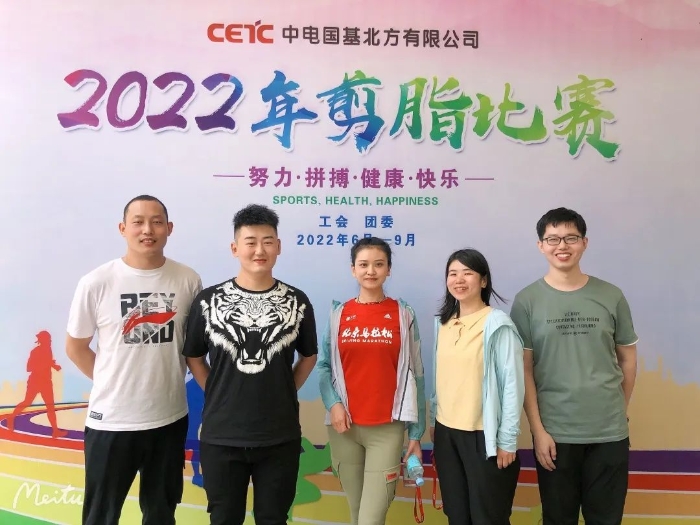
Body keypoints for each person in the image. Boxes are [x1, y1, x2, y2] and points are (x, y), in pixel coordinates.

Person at [65, 195, 203, 525]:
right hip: (112, 421)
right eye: (138, 222)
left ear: (169, 228)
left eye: (156, 222)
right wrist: (114, 383)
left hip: (169, 419)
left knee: (161, 513)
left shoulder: (188, 280)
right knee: (101, 515)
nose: (147, 230)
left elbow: (193, 347)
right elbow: (76, 347)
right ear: (122, 228)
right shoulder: (97, 282)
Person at [183, 203, 318, 525]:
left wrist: (284, 388)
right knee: (224, 518)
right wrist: (216, 390)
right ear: (235, 248)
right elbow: (194, 356)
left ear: (278, 247)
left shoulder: (297, 301)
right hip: (221, 436)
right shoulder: (208, 301)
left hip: (279, 436)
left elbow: (309, 356)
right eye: (251, 242)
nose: (260, 250)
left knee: (274, 518)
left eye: (268, 241)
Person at [510, 207, 638, 525]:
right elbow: (524, 370)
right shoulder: (527, 301)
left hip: (609, 433)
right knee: (558, 518)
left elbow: (628, 358)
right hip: (555, 434)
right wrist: (538, 431)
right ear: (541, 245)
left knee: (606, 519)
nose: (562, 246)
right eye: (553, 239)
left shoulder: (611, 295)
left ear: (584, 243)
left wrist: (618, 408)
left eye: (571, 238)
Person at [317, 236, 426, 525]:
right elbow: (324, 367)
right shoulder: (338, 314)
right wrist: (334, 405)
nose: (370, 271)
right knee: (356, 515)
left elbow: (417, 373)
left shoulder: (403, 314)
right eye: (363, 264)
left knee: (370, 519)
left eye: (378, 264)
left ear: (388, 269)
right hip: (344, 429)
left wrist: (416, 434)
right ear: (353, 269)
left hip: (387, 430)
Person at [429, 248, 524, 525]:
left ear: (483, 280)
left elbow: (512, 385)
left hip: (484, 436)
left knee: (488, 517)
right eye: (452, 273)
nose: (459, 280)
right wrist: (434, 418)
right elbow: (440, 378)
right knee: (457, 515)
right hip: (446, 433)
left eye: (467, 273)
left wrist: (507, 440)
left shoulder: (497, 324)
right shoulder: (443, 324)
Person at [8, 330, 68, 438]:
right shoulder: (35, 351)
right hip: (35, 381)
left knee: (50, 407)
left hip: (46, 382)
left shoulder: (48, 350)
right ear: (43, 340)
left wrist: (54, 366)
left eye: (50, 339)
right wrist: (43, 365)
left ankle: (55, 431)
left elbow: (48, 362)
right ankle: (11, 418)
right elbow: (28, 368)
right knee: (27, 402)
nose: (50, 341)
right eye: (48, 339)